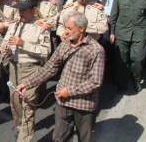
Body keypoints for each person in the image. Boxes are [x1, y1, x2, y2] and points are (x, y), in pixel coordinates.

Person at [15, 11, 105, 142]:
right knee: (59, 138)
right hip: (63, 102)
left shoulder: (96, 50)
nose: (66, 32)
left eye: (69, 28)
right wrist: (27, 83)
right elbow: (49, 68)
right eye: (65, 28)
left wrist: (69, 91)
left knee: (84, 138)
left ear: (81, 29)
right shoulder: (65, 44)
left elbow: (95, 82)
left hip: (84, 105)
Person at [1, 0, 51, 142]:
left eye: (24, 10)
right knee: (15, 102)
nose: (20, 12)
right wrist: (5, 47)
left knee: (27, 106)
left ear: (33, 10)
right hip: (13, 67)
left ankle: (25, 137)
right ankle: (20, 127)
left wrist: (23, 44)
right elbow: (6, 41)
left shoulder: (41, 27)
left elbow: (45, 52)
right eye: (19, 9)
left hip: (31, 69)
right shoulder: (15, 24)